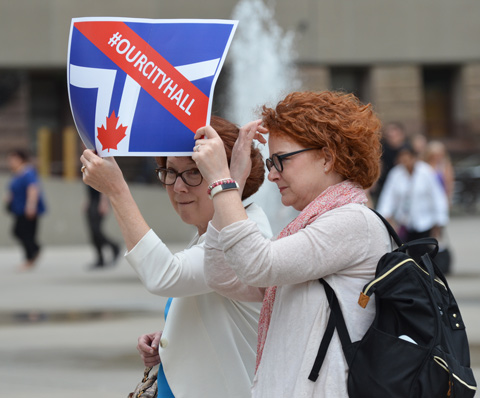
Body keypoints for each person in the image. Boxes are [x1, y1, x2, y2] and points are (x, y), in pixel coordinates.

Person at [192, 91, 392, 397]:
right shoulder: (311, 224)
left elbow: (258, 265)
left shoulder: (354, 222)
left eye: (281, 160)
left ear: (327, 156)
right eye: (270, 162)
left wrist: (222, 181)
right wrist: (235, 177)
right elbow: (222, 276)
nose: (271, 174)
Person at [80, 116, 272, 398]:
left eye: (194, 172)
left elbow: (164, 275)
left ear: (224, 174)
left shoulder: (245, 236)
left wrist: (117, 190)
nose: (178, 187)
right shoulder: (210, 232)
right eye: (170, 171)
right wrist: (172, 337)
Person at [376, 142, 449, 253]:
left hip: (426, 221)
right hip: (405, 222)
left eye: (407, 158)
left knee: (424, 253)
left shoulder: (426, 172)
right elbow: (388, 196)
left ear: (413, 157)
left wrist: (439, 220)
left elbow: (437, 196)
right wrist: (385, 215)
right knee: (409, 253)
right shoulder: (396, 174)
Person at [5, 149, 46, 270]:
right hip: (18, 208)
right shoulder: (17, 173)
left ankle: (30, 257)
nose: (11, 162)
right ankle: (33, 252)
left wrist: (31, 206)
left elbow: (33, 188)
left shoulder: (28, 172)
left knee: (26, 233)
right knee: (19, 232)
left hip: (27, 209)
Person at [84, 185, 120, 269]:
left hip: (99, 201)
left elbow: (103, 183)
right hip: (92, 200)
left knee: (96, 230)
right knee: (93, 233)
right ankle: (100, 259)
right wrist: (87, 200)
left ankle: (115, 247)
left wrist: (104, 201)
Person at [370, 121, 407, 204]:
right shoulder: (383, 149)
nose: (392, 137)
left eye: (395, 134)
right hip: (385, 183)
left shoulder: (406, 149)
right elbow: (379, 164)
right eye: (390, 136)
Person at [424, 140, 455, 206]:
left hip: (441, 197)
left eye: (439, 155)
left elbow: (449, 183)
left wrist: (449, 198)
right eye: (434, 155)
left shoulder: (445, 166)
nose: (437, 157)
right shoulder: (424, 166)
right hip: (426, 198)